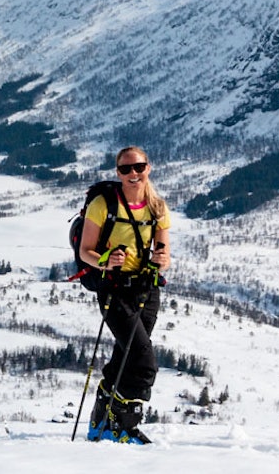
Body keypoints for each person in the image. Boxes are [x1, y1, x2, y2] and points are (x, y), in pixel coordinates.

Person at [78, 146, 171, 444]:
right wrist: (105, 260)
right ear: (117, 172)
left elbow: (163, 250)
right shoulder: (103, 205)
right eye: (125, 169)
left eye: (139, 167)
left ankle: (102, 422)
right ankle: (124, 424)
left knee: (126, 356)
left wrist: (162, 259)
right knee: (143, 362)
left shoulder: (157, 207)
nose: (133, 174)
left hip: (146, 289)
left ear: (148, 168)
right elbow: (86, 252)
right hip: (113, 289)